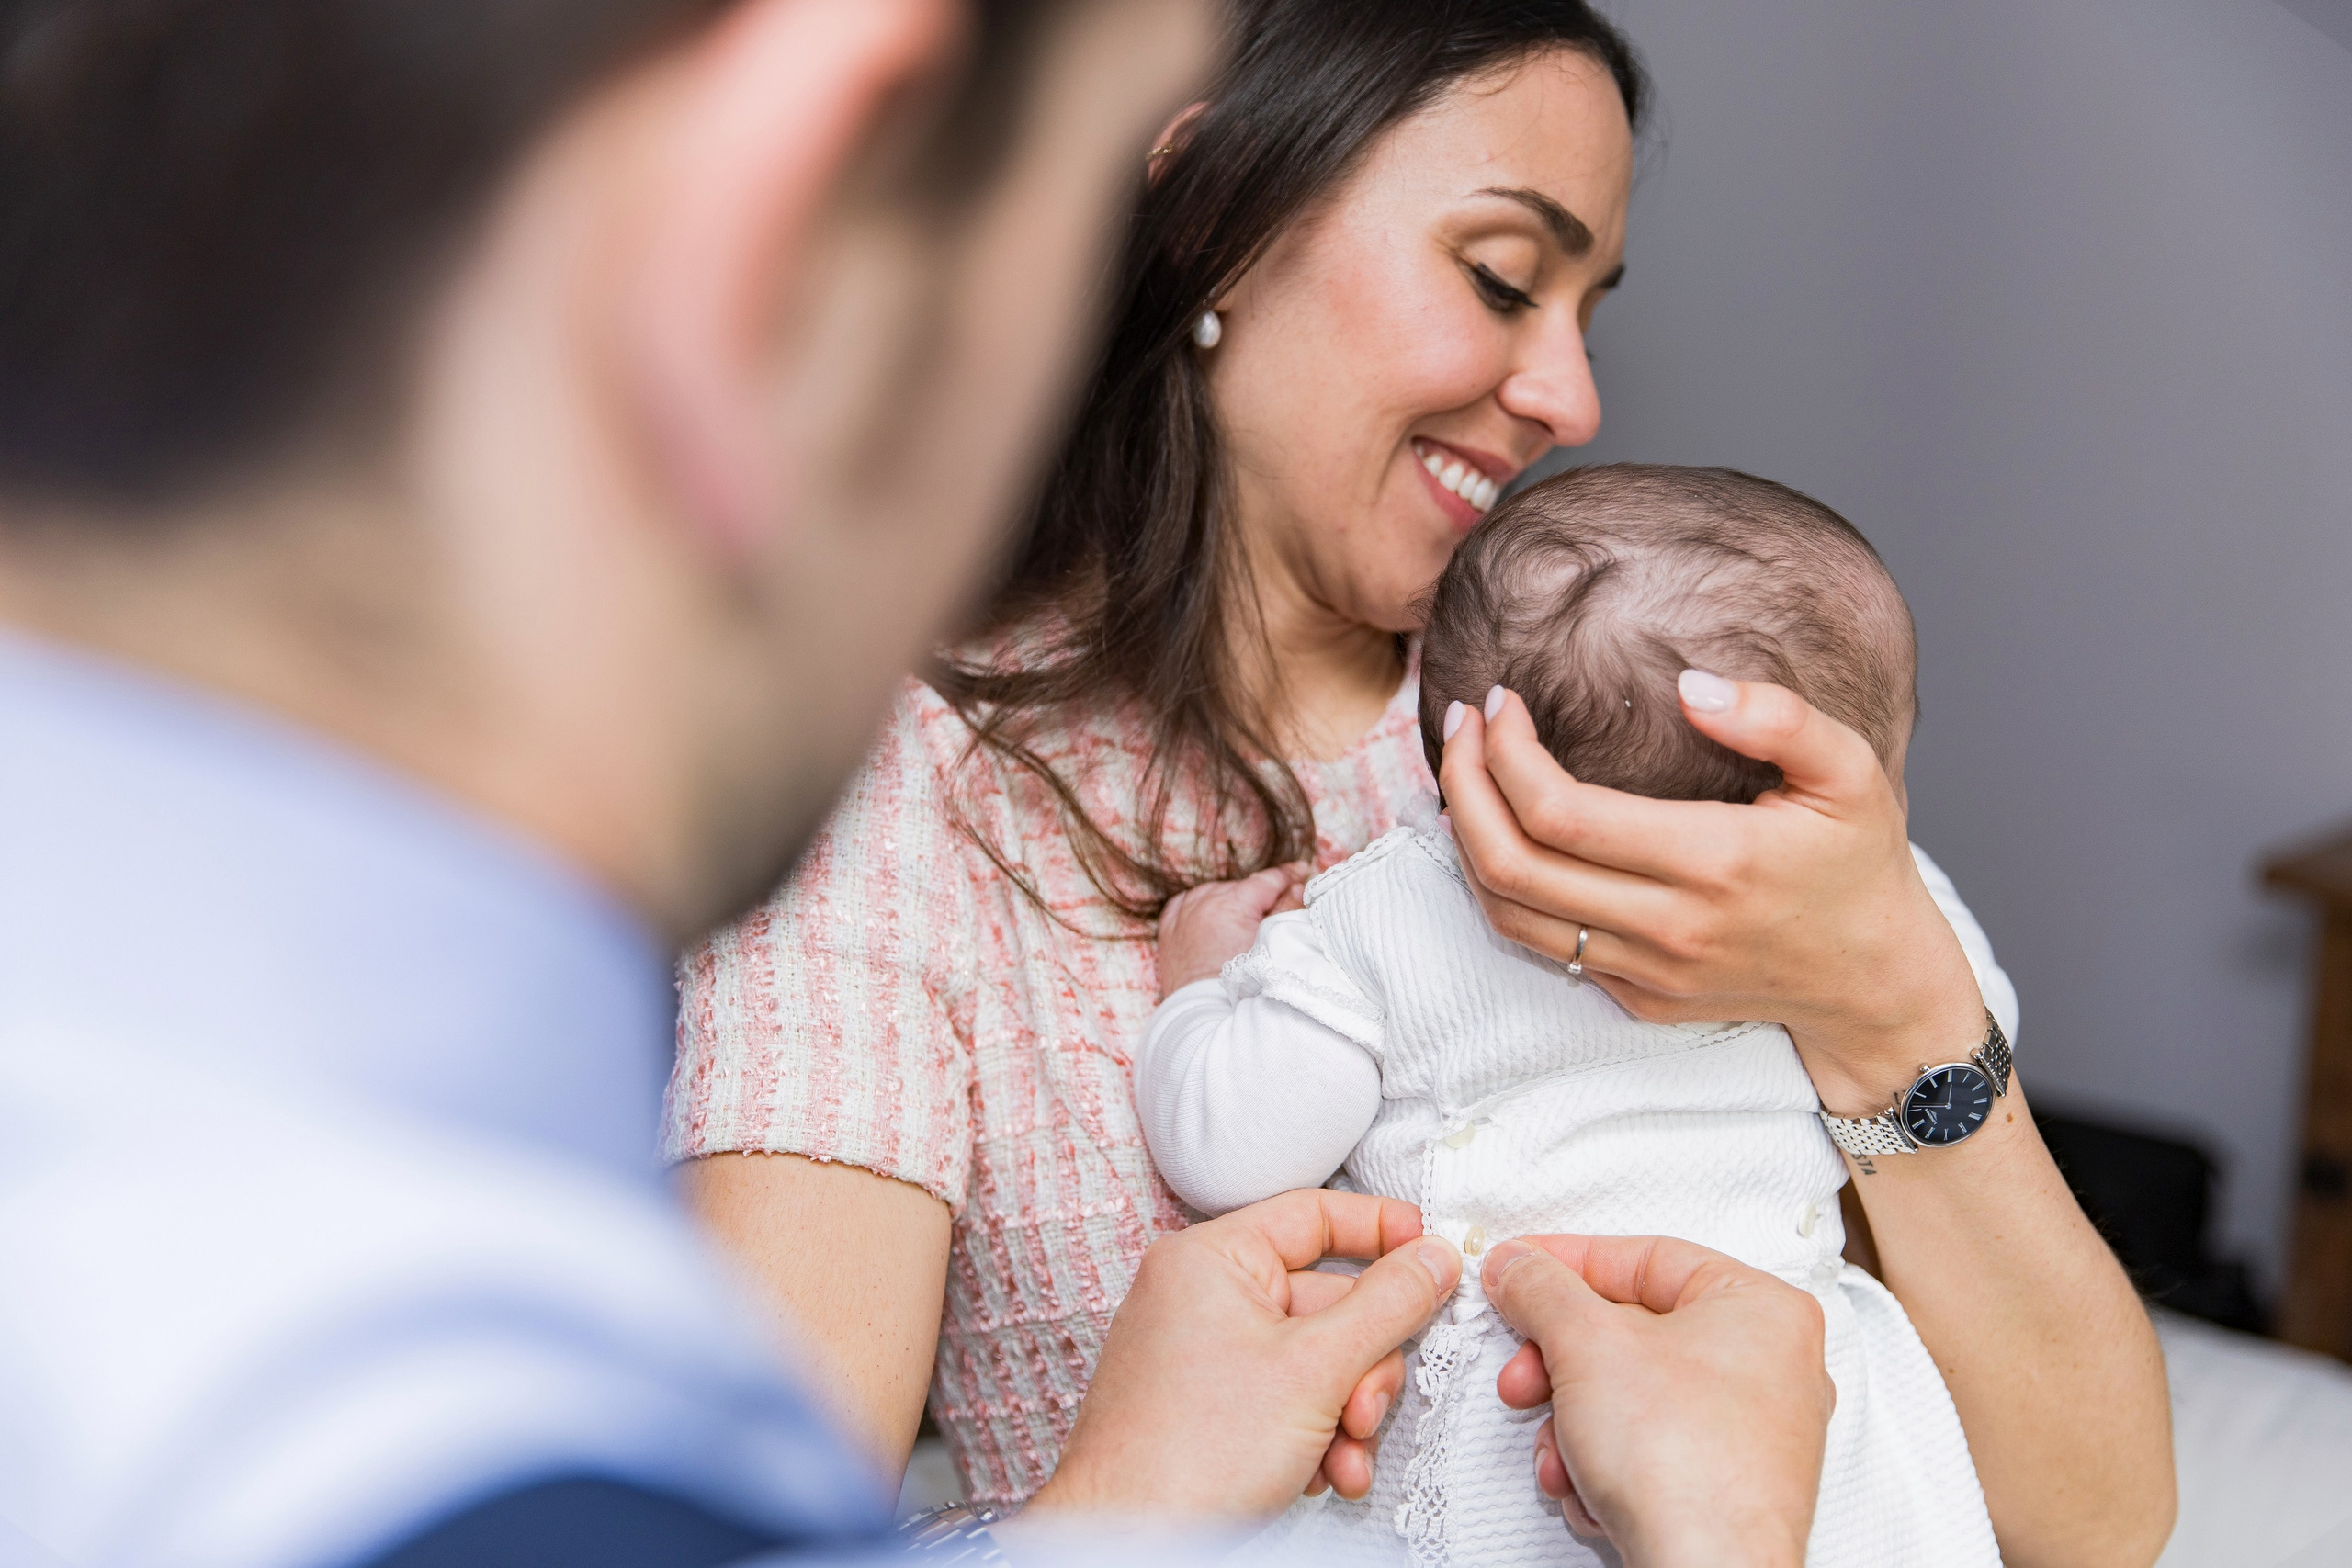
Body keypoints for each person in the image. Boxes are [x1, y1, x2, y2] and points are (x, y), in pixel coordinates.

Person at [0, 1, 1856, 1566]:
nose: (1567, 401)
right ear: (772, 224)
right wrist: (1125, 1502)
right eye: (1069, 253)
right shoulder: (455, 1417)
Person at [671, 4, 2177, 1564]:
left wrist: (1887, 994)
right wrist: (1123, 1501)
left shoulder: (1640, 738)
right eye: (1504, 277)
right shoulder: (896, 788)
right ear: (1211, 223)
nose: (1572, 398)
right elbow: (744, 1543)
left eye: (1586, 309)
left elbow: (2098, 1524)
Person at [1141, 465, 2006, 1565]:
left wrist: (1199, 996)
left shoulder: (1387, 914)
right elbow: (1985, 1030)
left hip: (1491, 1436)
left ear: (1457, 758)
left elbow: (1233, 1152)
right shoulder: (1884, 916)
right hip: (1796, 1432)